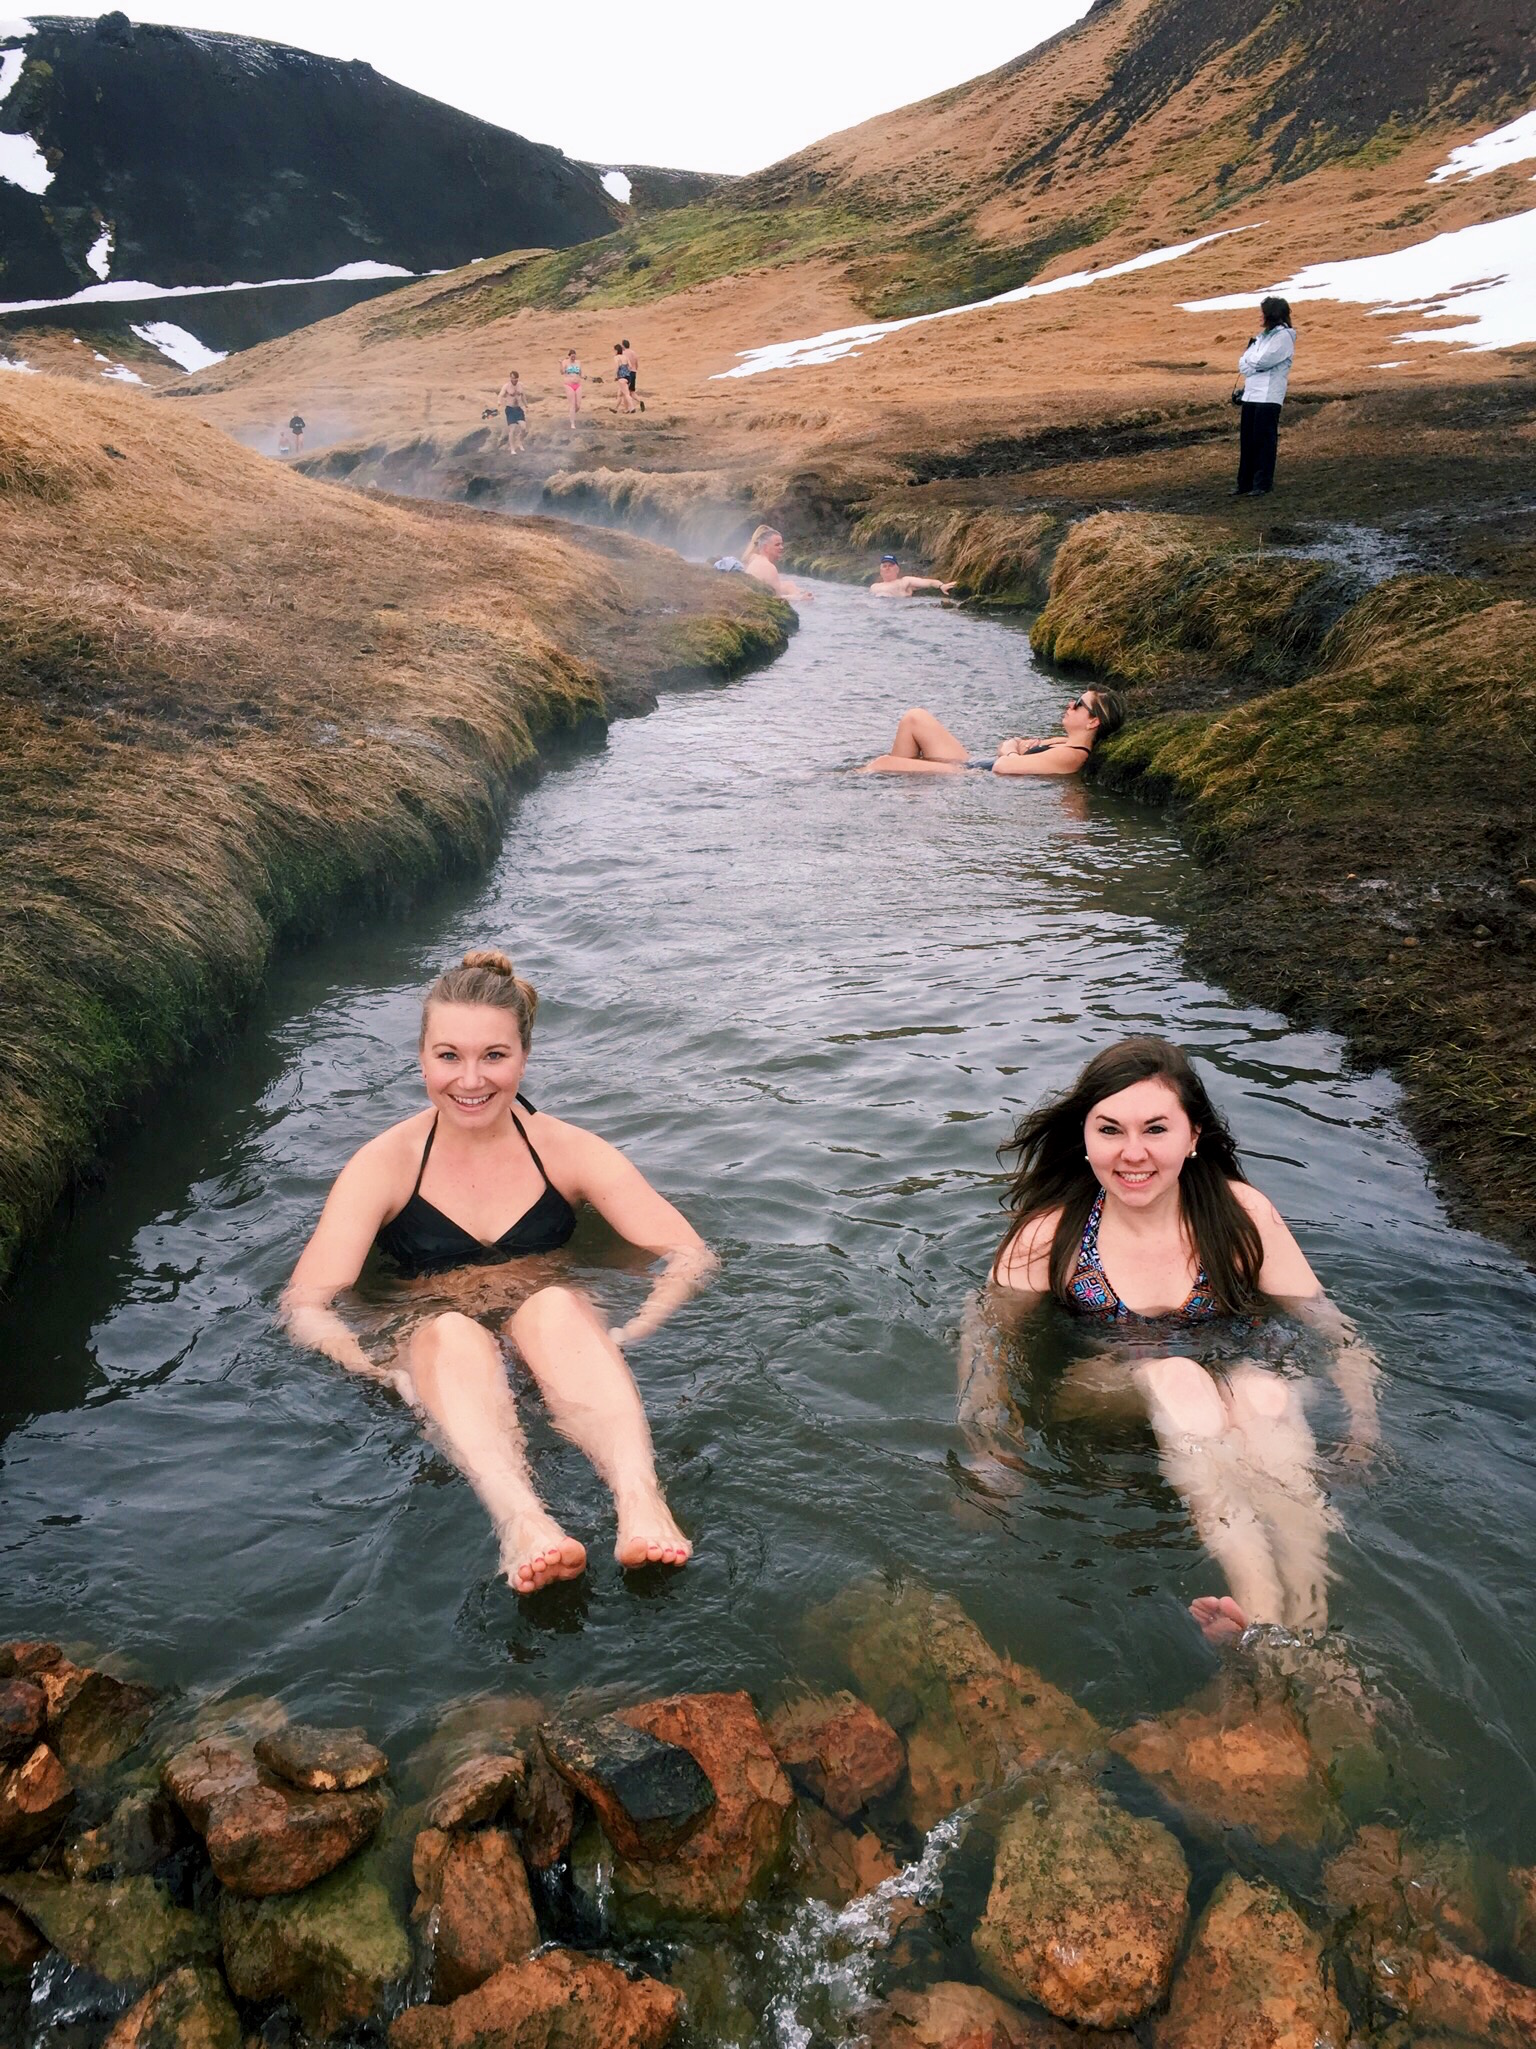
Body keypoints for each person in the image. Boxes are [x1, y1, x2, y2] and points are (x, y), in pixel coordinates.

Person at [282, 949, 713, 1595]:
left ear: (524, 1055)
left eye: (494, 1055)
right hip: (434, 1349)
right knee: (450, 1330)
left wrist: (634, 1330)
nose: (470, 1079)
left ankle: (640, 1499)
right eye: (448, 1055)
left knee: (555, 1306)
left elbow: (690, 1253)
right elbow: (306, 1303)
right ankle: (522, 1523)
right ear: (422, 1057)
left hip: (561, 1342)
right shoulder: (384, 1165)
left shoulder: (568, 1150)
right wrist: (377, 1369)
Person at [961, 1038, 1381, 1645]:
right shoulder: (1049, 1236)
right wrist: (989, 1446)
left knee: (1263, 1392)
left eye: (1156, 1129)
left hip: (1230, 1388)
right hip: (1105, 1388)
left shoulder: (1240, 1217)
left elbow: (1331, 1328)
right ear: (1085, 1138)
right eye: (1111, 1130)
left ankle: (1307, 1621)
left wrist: (1364, 1422)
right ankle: (1261, 1607)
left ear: (1194, 1136)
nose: (1134, 1153)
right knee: (1181, 1380)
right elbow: (985, 1339)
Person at [860, 689, 1124, 775]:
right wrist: (1012, 750)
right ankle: (902, 782)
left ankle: (837, 779)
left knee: (882, 763)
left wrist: (1012, 751)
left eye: (1078, 704)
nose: (1070, 704)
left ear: (1093, 722)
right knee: (914, 717)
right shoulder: (1061, 742)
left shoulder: (1072, 756)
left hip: (973, 775)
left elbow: (1004, 766)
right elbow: (1011, 745)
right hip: (974, 763)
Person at [1233, 296, 1295, 496]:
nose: (1259, 316)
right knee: (1248, 440)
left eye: (1263, 312)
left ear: (1271, 314)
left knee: (1263, 440)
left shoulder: (1284, 336)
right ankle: (1245, 484)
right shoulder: (1262, 337)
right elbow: (1243, 362)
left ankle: (1262, 483)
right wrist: (1250, 362)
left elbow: (1262, 361)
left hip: (1268, 396)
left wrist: (1250, 362)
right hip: (1251, 394)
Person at [740, 525, 812, 602]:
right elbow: (777, 599)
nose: (782, 547)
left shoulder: (755, 559)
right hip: (756, 603)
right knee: (790, 587)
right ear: (765, 547)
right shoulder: (768, 567)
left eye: (781, 544)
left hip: (753, 600)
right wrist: (800, 598)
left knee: (789, 585)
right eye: (777, 545)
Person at [869, 554, 956, 599]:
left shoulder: (905, 581)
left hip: (895, 607)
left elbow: (929, 582)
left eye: (890, 565)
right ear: (880, 571)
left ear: (897, 569)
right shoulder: (874, 586)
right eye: (884, 566)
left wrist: (941, 586)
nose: (887, 568)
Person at [496, 370, 528, 453]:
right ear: (510, 378)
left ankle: (519, 441)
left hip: (518, 409)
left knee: (523, 427)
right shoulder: (506, 386)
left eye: (516, 379)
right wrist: (499, 401)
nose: (515, 380)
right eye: (513, 378)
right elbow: (501, 394)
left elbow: (523, 395)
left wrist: (526, 405)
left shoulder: (520, 385)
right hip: (510, 409)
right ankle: (512, 449)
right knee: (512, 429)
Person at [559, 349, 583, 431]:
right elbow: (562, 372)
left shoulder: (578, 362)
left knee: (578, 405)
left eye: (574, 356)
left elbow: (580, 373)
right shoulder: (565, 362)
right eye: (572, 356)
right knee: (572, 404)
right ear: (569, 356)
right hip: (569, 384)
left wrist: (584, 376)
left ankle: (571, 414)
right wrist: (560, 364)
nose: (573, 358)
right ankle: (572, 423)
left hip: (578, 384)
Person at [612, 342, 635, 415]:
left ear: (616, 350)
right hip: (628, 377)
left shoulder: (616, 358)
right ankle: (615, 409)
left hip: (621, 377)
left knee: (626, 394)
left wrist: (615, 376)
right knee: (620, 394)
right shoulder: (625, 357)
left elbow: (616, 368)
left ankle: (632, 408)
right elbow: (630, 366)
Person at [621, 338, 643, 412]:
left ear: (623, 346)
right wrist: (635, 370)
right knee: (632, 391)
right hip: (634, 372)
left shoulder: (623, 353)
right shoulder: (633, 352)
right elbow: (636, 363)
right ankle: (640, 401)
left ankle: (627, 408)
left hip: (627, 373)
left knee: (625, 392)